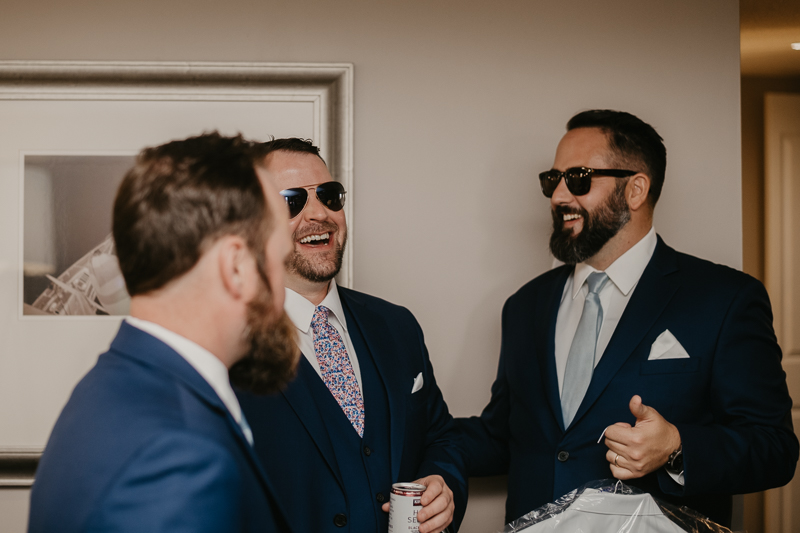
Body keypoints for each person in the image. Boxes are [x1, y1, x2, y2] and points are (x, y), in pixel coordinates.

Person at [456, 110, 799, 528]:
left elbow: (774, 449)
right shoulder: (525, 306)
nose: (558, 196)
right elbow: (503, 435)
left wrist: (676, 447)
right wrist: (403, 431)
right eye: (552, 180)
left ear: (636, 189)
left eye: (578, 178)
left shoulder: (724, 299)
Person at [28, 132, 300, 533]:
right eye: (281, 261)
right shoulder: (180, 459)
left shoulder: (113, 385)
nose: (283, 293)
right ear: (237, 268)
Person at [237, 138, 467, 533]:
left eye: (329, 196)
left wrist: (444, 485)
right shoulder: (225, 347)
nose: (319, 214)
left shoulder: (396, 326)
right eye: (291, 201)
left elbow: (440, 437)